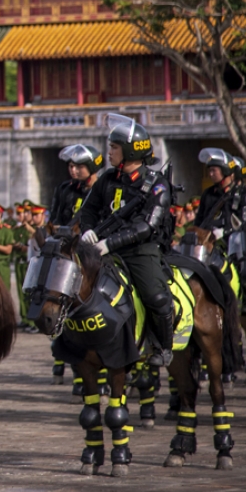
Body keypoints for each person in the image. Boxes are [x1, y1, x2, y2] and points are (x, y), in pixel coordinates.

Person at [76, 114, 175, 366]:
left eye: (114, 147)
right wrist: (87, 230)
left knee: (156, 297)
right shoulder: (107, 179)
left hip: (139, 251)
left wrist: (109, 243)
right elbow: (87, 210)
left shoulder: (157, 185)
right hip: (102, 249)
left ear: (131, 152)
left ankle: (163, 347)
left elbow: (146, 226)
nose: (109, 152)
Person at [50, 144, 104, 229]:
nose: (73, 170)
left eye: (79, 166)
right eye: (71, 166)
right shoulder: (67, 189)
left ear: (92, 167)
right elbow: (56, 218)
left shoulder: (104, 189)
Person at [195, 148, 240, 241]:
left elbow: (244, 223)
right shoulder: (208, 193)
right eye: (209, 171)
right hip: (208, 244)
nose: (210, 174)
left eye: (213, 170)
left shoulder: (240, 194)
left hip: (233, 244)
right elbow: (199, 220)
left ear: (225, 170)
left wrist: (224, 232)